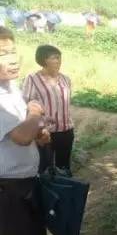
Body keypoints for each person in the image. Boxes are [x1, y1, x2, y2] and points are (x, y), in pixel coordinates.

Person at [0, 27, 70, 235]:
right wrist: (34, 115)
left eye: (12, 50)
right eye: (3, 53)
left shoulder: (11, 89)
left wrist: (38, 131)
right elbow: (19, 134)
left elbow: (28, 133)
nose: (12, 58)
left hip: (27, 180)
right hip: (8, 188)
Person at [22, 45, 74, 174]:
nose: (59, 61)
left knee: (64, 168)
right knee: (44, 169)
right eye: (55, 58)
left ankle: (64, 192)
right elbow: (26, 104)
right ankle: (44, 193)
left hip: (66, 131)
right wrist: (38, 128)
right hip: (45, 133)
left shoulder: (65, 79)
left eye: (59, 57)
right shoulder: (32, 79)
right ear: (44, 60)